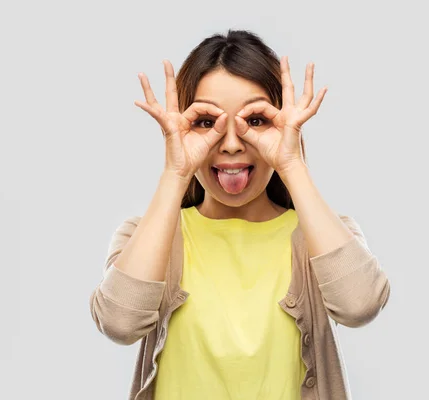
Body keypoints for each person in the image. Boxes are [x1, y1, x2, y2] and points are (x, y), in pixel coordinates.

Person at [90, 29, 391, 400]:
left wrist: (291, 162)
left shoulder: (323, 237)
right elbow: (119, 324)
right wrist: (176, 172)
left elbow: (360, 305)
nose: (232, 143)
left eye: (256, 120)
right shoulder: (146, 238)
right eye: (205, 122)